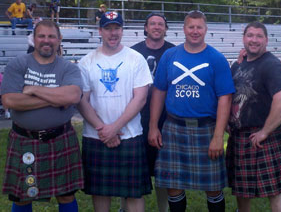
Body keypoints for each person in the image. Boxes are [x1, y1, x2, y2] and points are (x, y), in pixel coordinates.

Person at [148, 10, 235, 212]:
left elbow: (225, 98)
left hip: (206, 128)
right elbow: (159, 91)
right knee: (173, 186)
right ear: (184, 29)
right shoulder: (170, 56)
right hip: (174, 127)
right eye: (191, 27)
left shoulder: (216, 58)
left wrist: (218, 136)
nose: (195, 31)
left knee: (213, 188)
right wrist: (153, 126)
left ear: (205, 30)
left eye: (199, 27)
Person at [1, 20, 83, 212]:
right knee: (22, 196)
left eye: (51, 36)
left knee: (66, 194)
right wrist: (56, 98)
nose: (47, 40)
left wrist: (32, 89)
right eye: (42, 36)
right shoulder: (18, 64)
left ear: (59, 39)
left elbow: (73, 96)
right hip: (24, 140)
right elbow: (10, 101)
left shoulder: (68, 68)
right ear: (34, 39)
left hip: (61, 139)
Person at [77, 11, 153, 212]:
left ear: (122, 30)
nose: (113, 33)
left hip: (129, 135)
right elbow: (81, 101)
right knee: (100, 193)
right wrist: (103, 130)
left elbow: (141, 98)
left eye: (117, 28)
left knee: (133, 194)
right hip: (95, 136)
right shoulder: (86, 62)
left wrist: (115, 128)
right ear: (100, 31)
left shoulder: (135, 59)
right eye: (108, 29)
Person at [226, 22, 281, 212]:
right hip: (240, 135)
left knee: (275, 190)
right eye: (250, 35)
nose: (254, 40)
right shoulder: (238, 65)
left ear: (266, 40)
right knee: (241, 190)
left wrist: (265, 131)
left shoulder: (271, 65)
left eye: (259, 36)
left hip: (263, 136)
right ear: (244, 39)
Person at [122, 13, 174, 212]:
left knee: (164, 169)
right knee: (132, 169)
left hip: (166, 118)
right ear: (145, 28)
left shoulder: (174, 52)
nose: (157, 27)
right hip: (135, 117)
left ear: (165, 29)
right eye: (152, 23)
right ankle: (124, 207)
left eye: (161, 24)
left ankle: (165, 209)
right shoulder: (132, 53)